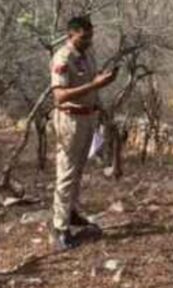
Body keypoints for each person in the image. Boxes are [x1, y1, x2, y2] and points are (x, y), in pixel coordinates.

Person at [50, 15, 118, 250]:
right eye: (83, 37)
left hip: (88, 117)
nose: (88, 40)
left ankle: (70, 212)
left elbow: (91, 84)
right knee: (66, 171)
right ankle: (60, 227)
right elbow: (59, 95)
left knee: (78, 170)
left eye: (90, 36)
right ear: (71, 34)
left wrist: (99, 100)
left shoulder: (88, 54)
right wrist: (95, 85)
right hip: (70, 119)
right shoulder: (62, 57)